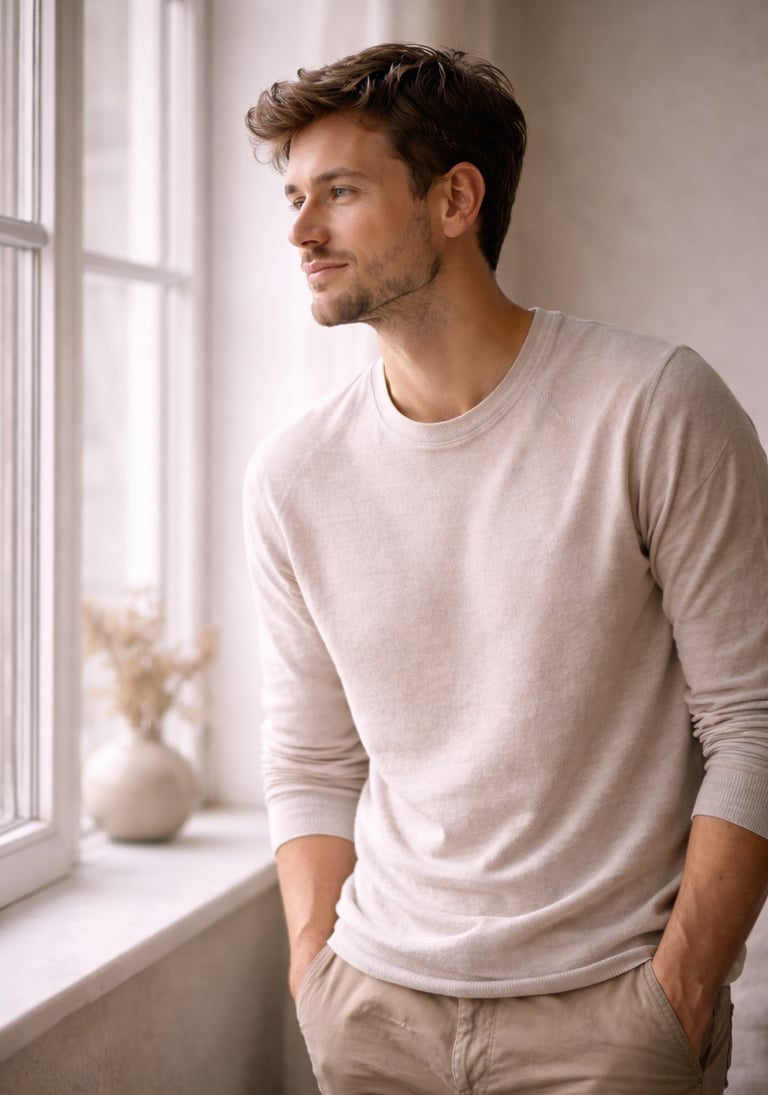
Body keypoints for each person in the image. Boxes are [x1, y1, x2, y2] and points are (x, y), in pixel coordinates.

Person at [242, 43, 768, 1094]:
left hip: (611, 1020)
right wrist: (317, 973)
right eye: (295, 198)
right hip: (374, 1015)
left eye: (339, 192)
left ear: (455, 200)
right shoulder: (294, 474)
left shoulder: (653, 407)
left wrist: (680, 990)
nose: (300, 232)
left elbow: (753, 721)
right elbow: (310, 759)